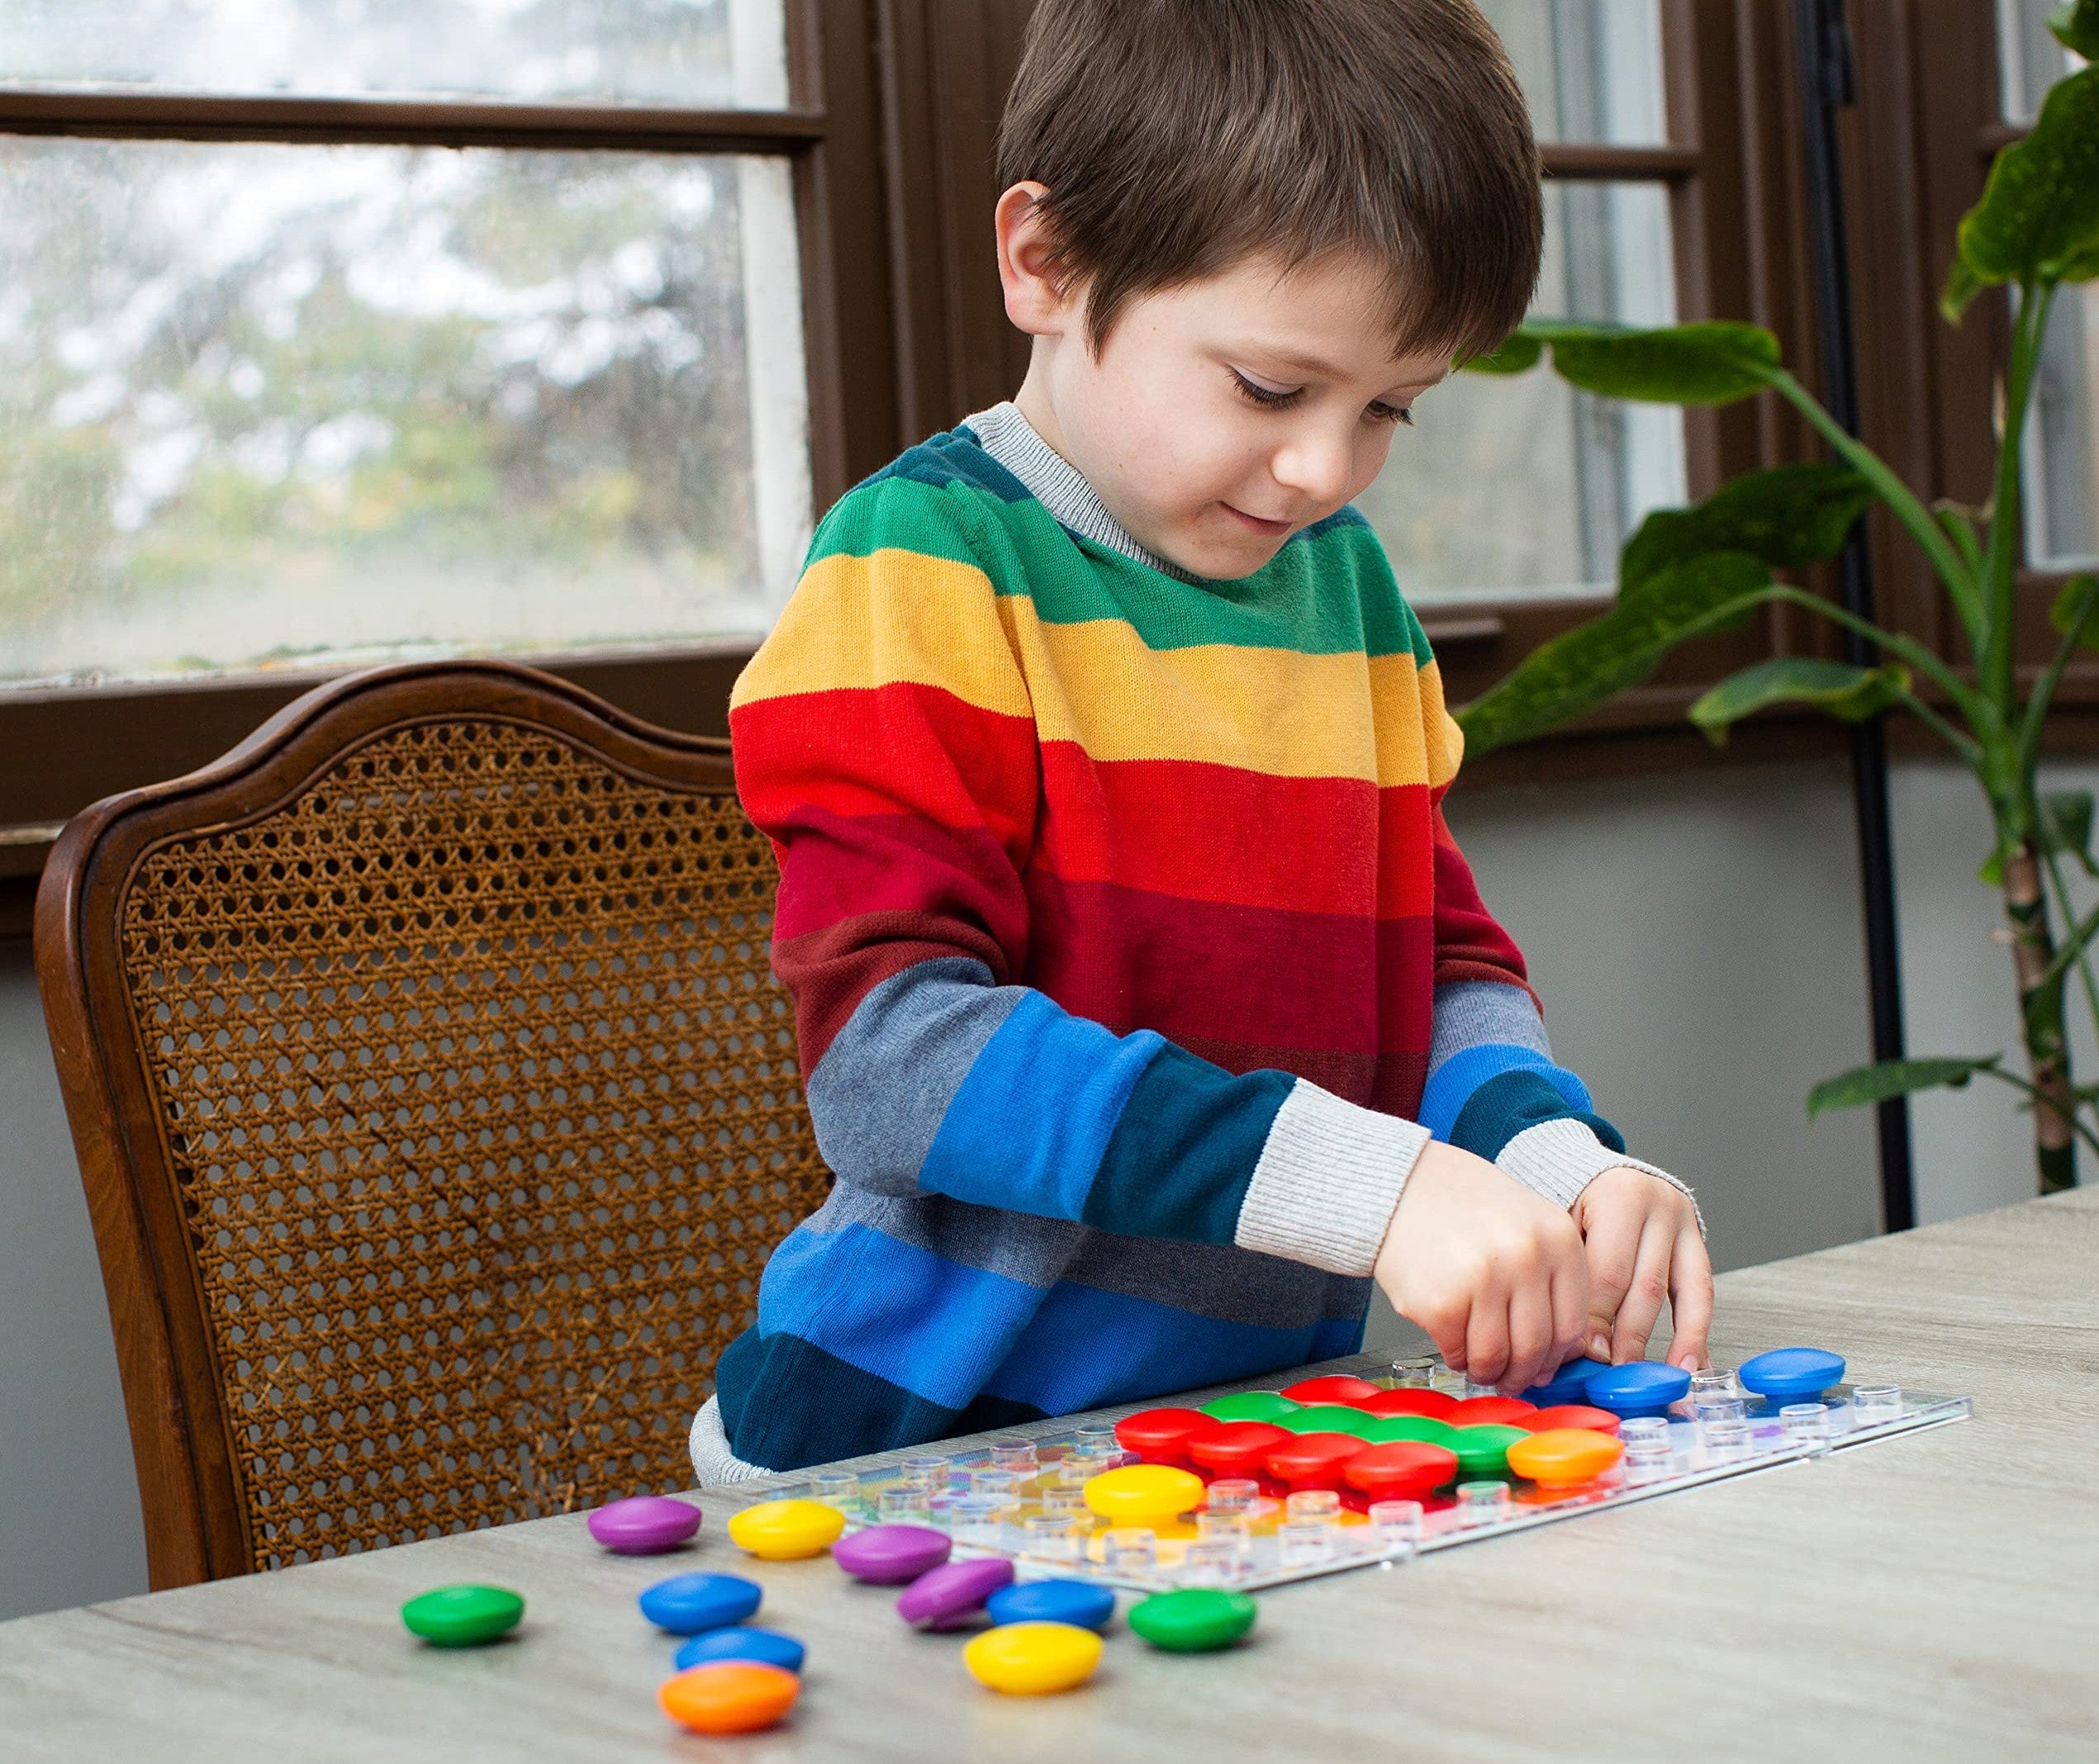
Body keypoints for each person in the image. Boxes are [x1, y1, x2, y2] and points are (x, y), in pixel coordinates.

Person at [692, 0, 1710, 1481]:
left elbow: (1437, 970)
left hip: (1239, 1440)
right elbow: (889, 1056)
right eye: (1269, 388)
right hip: (906, 1449)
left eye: (1389, 411)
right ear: (1046, 261)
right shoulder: (923, 561)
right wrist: (1377, 1190)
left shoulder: (1345, 588)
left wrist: (1549, 1160)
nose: (1321, 468)